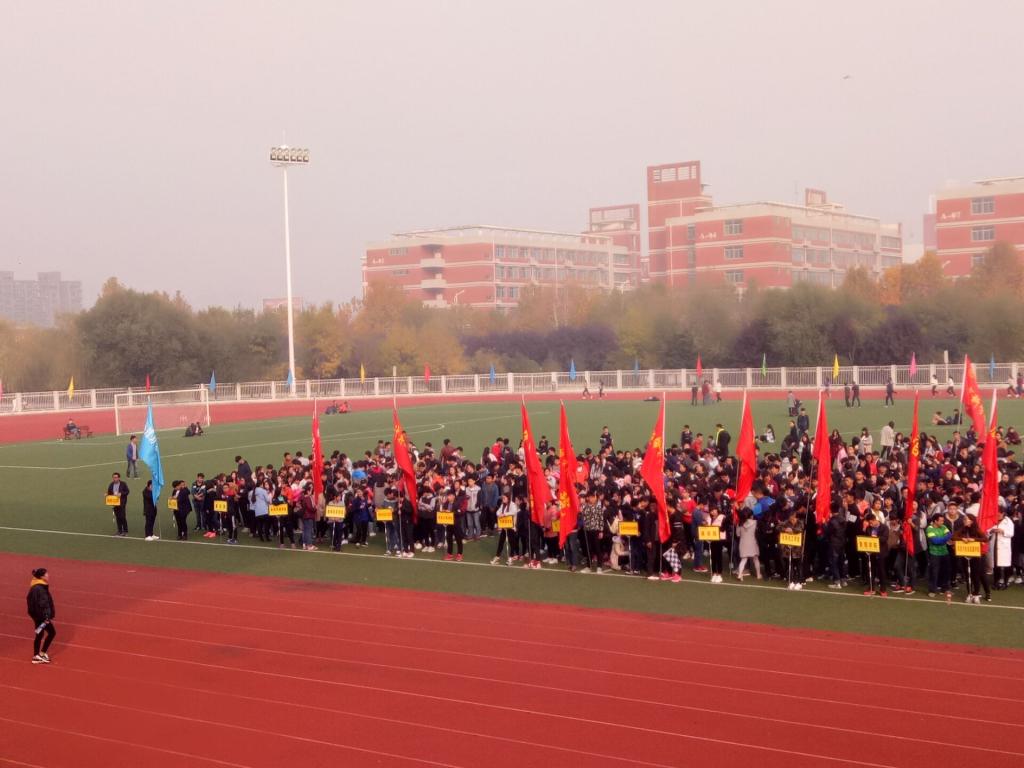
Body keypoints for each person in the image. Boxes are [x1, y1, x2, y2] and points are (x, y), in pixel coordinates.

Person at [27, 567, 56, 664]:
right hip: (41, 616)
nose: (48, 575)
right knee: (51, 633)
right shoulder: (40, 589)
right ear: (42, 577)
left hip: (37, 615)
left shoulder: (36, 586)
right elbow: (44, 604)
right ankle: (38, 655)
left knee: (40, 634)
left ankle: (39, 654)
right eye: (47, 574)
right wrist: (46, 617)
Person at [925, 513, 952, 598]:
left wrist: (942, 539)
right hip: (934, 553)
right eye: (941, 521)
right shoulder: (929, 529)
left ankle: (944, 588)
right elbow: (935, 541)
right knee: (934, 572)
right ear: (935, 521)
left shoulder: (943, 527)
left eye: (943, 521)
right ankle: (932, 590)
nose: (942, 522)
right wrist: (945, 539)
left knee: (946, 571)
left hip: (945, 552)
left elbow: (950, 534)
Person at [106, 472, 130, 537]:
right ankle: (119, 531)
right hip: (114, 503)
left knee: (122, 517)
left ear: (119, 478)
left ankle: (125, 531)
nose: (115, 479)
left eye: (116, 477)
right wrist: (107, 494)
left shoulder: (123, 484)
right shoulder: (111, 484)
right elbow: (109, 492)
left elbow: (127, 491)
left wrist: (121, 494)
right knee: (118, 517)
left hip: (122, 503)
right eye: (114, 477)